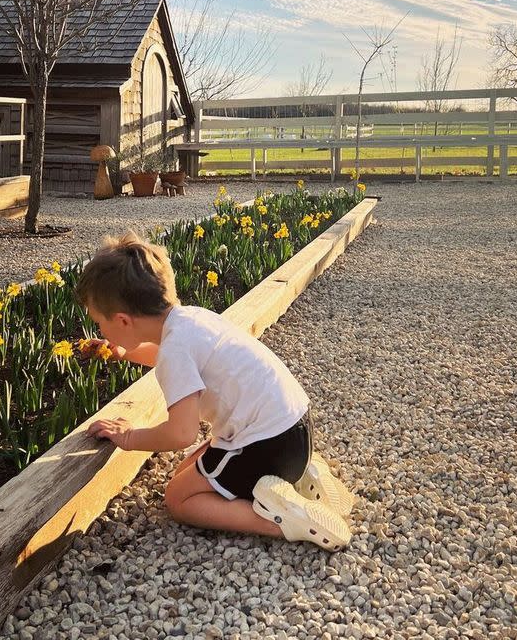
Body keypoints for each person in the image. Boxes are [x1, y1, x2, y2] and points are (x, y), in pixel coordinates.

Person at [75, 231, 355, 551]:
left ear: (123, 321)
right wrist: (122, 353)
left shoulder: (174, 352)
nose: (99, 330)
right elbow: (166, 358)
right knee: (185, 473)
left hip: (270, 446)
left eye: (99, 322)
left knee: (179, 498)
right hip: (295, 426)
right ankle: (303, 474)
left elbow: (181, 433)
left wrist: (129, 437)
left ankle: (285, 520)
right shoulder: (190, 320)